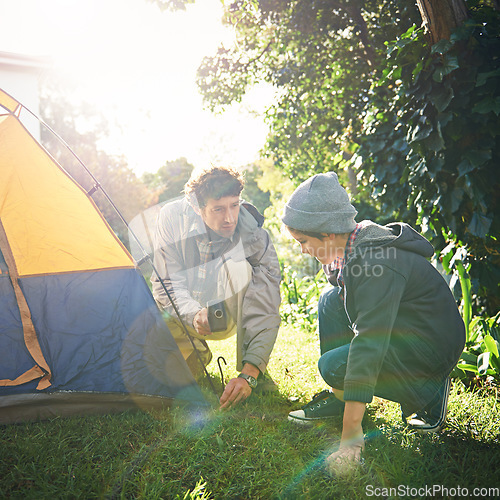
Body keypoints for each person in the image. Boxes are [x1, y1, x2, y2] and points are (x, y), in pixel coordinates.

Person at [281, 172, 465, 467]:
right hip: (406, 330)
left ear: (327, 232)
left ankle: (426, 390)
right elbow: (353, 303)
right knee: (330, 301)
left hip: (429, 350)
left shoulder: (375, 262)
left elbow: (369, 342)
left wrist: (351, 433)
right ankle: (341, 399)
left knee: (333, 366)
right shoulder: (354, 246)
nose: (302, 249)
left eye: (303, 241)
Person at [152, 166, 281, 409]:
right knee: (162, 377)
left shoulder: (253, 234)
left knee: (241, 269)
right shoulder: (170, 218)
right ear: (197, 207)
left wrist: (251, 372)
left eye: (234, 205)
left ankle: (254, 368)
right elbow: (166, 282)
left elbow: (267, 301)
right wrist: (192, 314)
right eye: (218, 209)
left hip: (227, 314)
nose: (229, 218)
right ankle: (195, 351)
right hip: (183, 313)